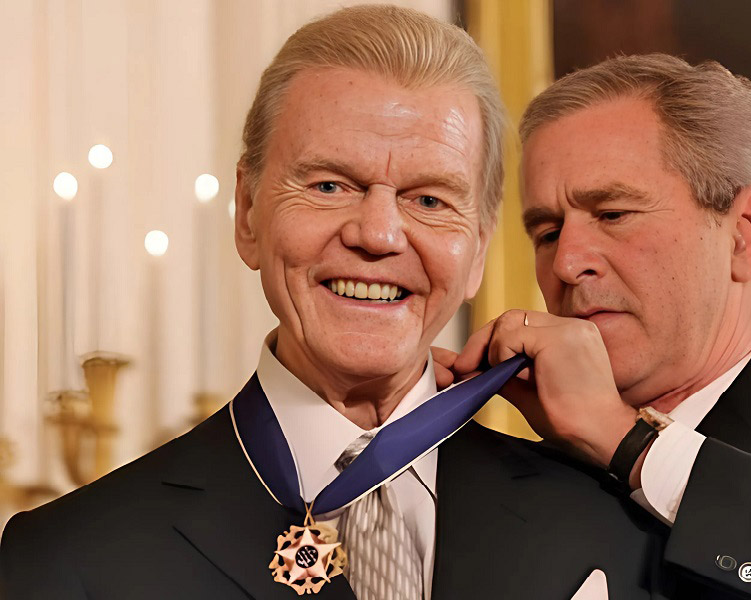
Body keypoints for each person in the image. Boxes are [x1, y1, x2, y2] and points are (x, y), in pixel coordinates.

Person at [0, 5, 510, 599]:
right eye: (328, 185)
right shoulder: (71, 560)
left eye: (428, 200)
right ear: (247, 213)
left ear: (479, 249)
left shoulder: (595, 518)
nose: (378, 235)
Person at [436, 54, 751, 599]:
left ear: (745, 233)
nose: (566, 263)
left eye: (612, 214)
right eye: (547, 232)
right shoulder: (484, 480)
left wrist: (625, 441)